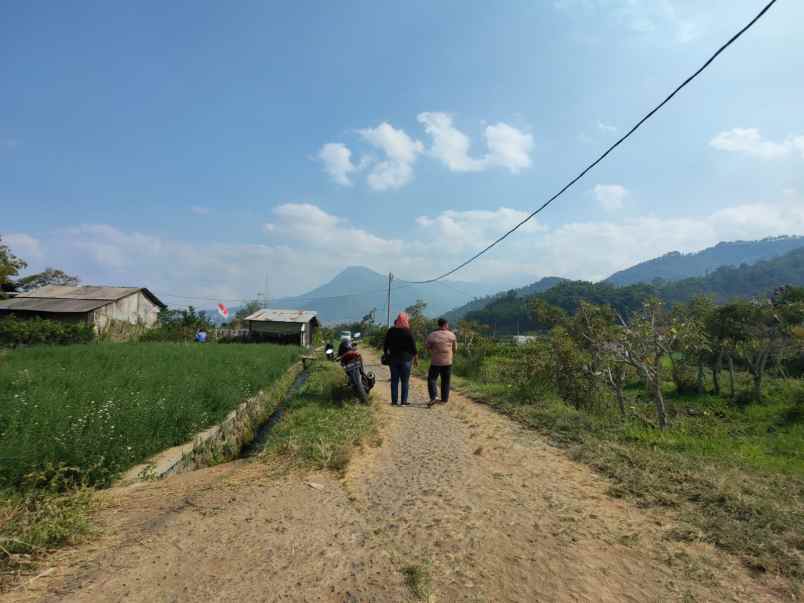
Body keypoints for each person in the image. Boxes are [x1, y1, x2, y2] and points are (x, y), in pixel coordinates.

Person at [383, 312, 417, 406]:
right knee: (405, 381)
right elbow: (413, 348)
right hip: (406, 360)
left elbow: (385, 345)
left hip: (393, 359)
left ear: (397, 320)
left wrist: (386, 354)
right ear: (406, 320)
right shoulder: (408, 332)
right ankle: (403, 401)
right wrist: (415, 358)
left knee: (394, 380)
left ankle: (394, 401)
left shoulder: (391, 331)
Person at [426, 318, 457, 406]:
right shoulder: (451, 335)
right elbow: (455, 348)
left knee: (432, 379)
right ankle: (444, 400)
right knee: (446, 380)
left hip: (435, 361)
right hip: (448, 362)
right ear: (446, 324)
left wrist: (433, 352)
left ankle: (434, 397)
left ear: (438, 325)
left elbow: (428, 347)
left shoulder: (432, 335)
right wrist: (450, 354)